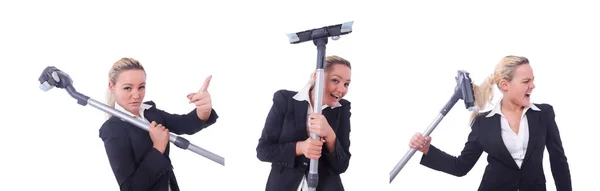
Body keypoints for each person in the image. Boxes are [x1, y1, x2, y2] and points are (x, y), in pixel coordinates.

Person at [409, 55, 572, 191]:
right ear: (505, 85)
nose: (532, 85)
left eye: (533, 80)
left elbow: (558, 160)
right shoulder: (483, 123)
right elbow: (460, 167)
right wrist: (427, 150)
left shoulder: (544, 114)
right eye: (525, 81)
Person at [98, 58, 219, 191]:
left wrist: (204, 110)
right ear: (112, 86)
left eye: (141, 87)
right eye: (128, 88)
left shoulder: (149, 112)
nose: (136, 95)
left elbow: (184, 124)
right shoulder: (112, 129)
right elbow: (130, 188)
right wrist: (158, 147)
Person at [256, 55, 353, 191]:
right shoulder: (285, 100)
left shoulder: (342, 109)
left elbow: (342, 165)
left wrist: (330, 135)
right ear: (316, 76)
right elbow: (263, 151)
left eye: (346, 84)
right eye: (335, 80)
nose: (342, 90)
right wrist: (300, 148)